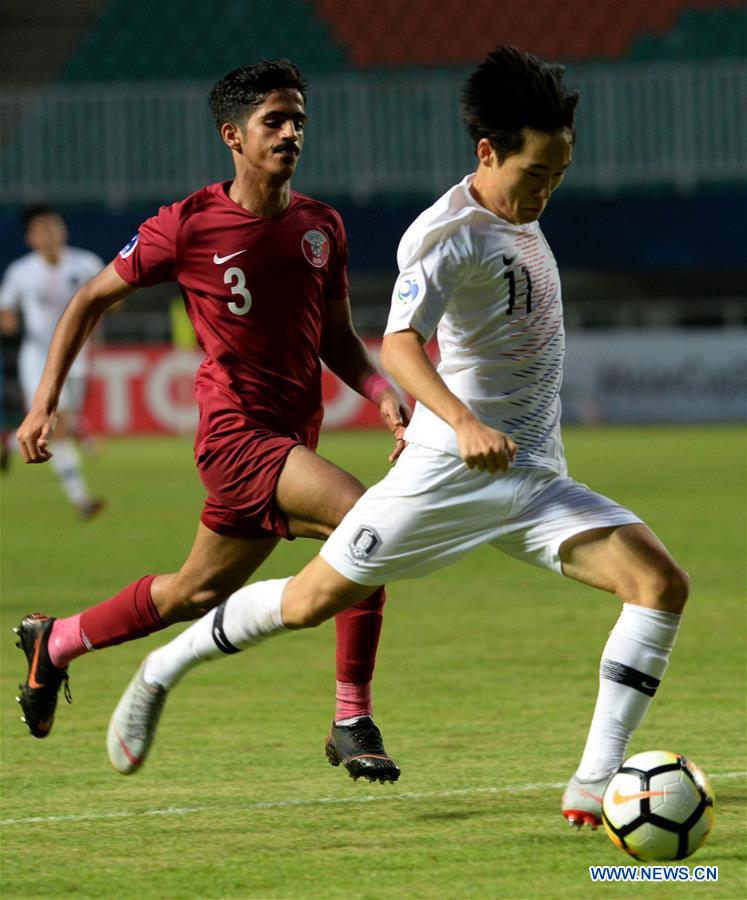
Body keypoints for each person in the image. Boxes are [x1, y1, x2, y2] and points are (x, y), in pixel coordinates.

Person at [107, 46, 689, 829]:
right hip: (449, 473)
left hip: (531, 478)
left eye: (559, 174)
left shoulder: (520, 214)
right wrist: (462, 423)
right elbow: (400, 346)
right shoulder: (445, 234)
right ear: (486, 153)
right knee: (309, 602)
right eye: (534, 174)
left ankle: (592, 782)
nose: (545, 191)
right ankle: (163, 665)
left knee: (658, 584)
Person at [14, 60, 409, 784]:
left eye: (298, 121)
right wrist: (43, 403)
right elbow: (88, 300)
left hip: (291, 438)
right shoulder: (188, 224)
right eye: (273, 121)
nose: (290, 134)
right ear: (232, 136)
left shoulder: (321, 226)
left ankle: (57, 642)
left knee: (194, 592)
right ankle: (351, 718)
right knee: (366, 523)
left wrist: (379, 389)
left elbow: (337, 339)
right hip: (236, 437)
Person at [0, 206, 105, 516]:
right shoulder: (22, 271)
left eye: (53, 227)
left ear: (64, 231)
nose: (48, 234)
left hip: (77, 356)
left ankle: (8, 443)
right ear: (30, 238)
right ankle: (81, 500)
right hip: (38, 358)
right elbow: (6, 308)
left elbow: (108, 298)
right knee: (56, 427)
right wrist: (8, 323)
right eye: (41, 229)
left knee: (61, 426)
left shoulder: (86, 263)